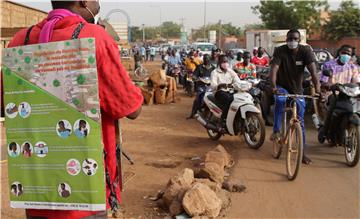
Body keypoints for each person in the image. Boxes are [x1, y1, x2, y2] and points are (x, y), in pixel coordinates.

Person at [5, 1, 143, 218]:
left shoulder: (19, 41)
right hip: (85, 190)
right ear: (83, 1)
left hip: (37, 189)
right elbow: (131, 107)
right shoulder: (95, 37)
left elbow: (7, 103)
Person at [270, 29, 320, 165]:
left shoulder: (306, 51)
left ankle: (302, 153)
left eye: (295, 39)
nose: (292, 41)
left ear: (299, 40)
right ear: (286, 39)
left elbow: (313, 71)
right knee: (280, 100)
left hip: (297, 89)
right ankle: (276, 131)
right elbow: (274, 69)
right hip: (282, 86)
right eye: (290, 39)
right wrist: (274, 87)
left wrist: (318, 90)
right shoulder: (280, 50)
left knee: (301, 121)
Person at [318, 45, 359, 141]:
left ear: (351, 55)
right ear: (339, 53)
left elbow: (356, 82)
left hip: (348, 94)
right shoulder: (329, 65)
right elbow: (323, 81)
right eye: (343, 53)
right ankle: (325, 131)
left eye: (348, 54)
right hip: (332, 93)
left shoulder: (353, 67)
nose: (345, 55)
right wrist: (329, 85)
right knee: (334, 107)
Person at [210, 54, 242, 122]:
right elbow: (213, 85)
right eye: (223, 62)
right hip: (219, 92)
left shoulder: (231, 71)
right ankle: (223, 117)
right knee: (230, 99)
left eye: (226, 62)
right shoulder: (214, 72)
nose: (225, 64)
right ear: (219, 63)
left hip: (231, 91)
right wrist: (220, 85)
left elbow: (238, 81)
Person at [187, 54, 215, 119]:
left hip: (211, 86)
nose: (206, 60)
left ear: (210, 59)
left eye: (207, 59)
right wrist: (195, 78)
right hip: (201, 85)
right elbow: (195, 75)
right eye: (205, 59)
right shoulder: (199, 67)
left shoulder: (213, 68)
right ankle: (192, 113)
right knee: (197, 99)